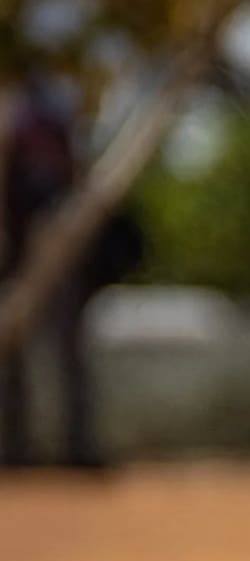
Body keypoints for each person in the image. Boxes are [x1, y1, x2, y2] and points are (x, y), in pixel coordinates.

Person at [0, 73, 141, 468]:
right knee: (11, 359)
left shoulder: (57, 112)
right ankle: (14, 448)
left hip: (57, 251)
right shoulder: (15, 112)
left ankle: (77, 447)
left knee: (69, 350)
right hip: (14, 254)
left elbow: (76, 175)